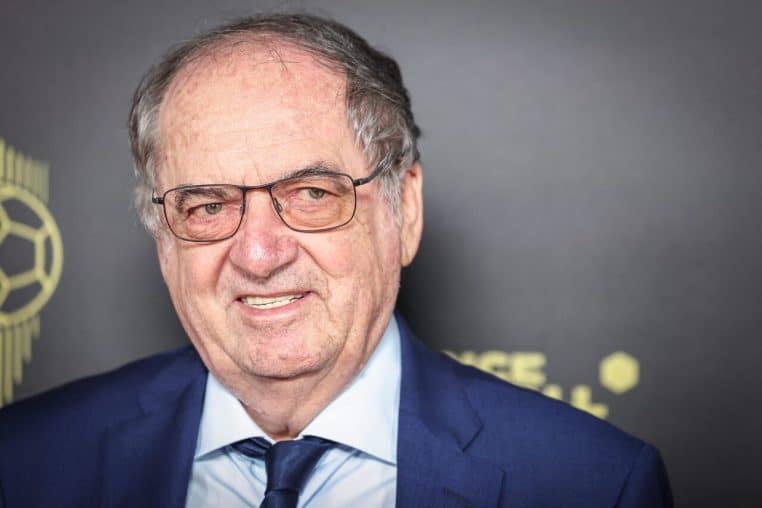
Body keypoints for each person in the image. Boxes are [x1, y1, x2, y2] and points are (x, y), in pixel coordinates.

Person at [0, 13, 672, 508]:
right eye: (207, 205)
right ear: (163, 238)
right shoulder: (23, 464)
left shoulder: (590, 483)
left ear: (404, 211)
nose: (258, 254)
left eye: (312, 194)